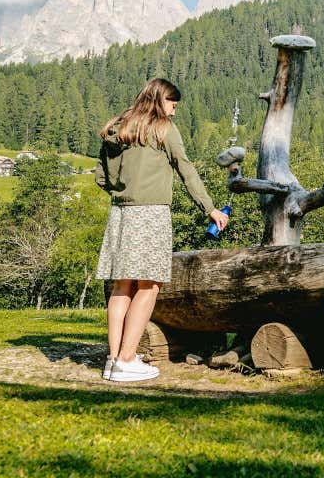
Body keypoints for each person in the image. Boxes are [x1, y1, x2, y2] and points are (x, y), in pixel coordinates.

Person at [94, 78, 228, 382]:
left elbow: (101, 177)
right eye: (173, 105)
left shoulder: (118, 128)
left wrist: (124, 193)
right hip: (151, 213)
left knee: (122, 286)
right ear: (159, 100)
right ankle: (127, 360)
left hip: (120, 213)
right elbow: (185, 168)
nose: (174, 112)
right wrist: (210, 208)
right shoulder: (162, 128)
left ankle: (113, 359)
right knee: (149, 286)